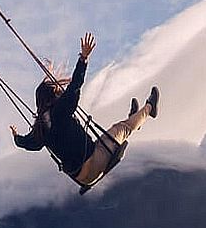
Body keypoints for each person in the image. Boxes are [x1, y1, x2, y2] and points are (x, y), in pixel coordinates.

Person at [11, 32, 159, 186]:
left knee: (116, 134)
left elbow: (27, 144)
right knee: (121, 128)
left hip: (81, 177)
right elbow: (75, 86)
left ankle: (135, 119)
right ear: (52, 96)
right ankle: (149, 108)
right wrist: (83, 59)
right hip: (95, 161)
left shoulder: (39, 130)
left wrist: (16, 137)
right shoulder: (60, 111)